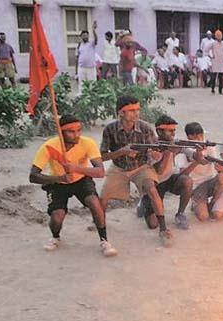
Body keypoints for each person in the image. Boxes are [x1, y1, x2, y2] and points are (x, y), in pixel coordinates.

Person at [29, 114, 117, 257]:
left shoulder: (87, 143)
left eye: (79, 130)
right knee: (57, 217)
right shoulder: (49, 146)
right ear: (61, 132)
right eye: (71, 131)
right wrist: (60, 177)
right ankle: (55, 237)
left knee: (95, 203)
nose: (76, 135)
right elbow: (33, 176)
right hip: (57, 182)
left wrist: (76, 169)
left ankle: (104, 240)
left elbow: (100, 172)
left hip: (81, 179)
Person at [99, 96, 173, 247]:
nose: (136, 113)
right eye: (131, 110)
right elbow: (102, 156)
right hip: (118, 168)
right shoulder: (110, 129)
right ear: (121, 112)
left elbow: (154, 151)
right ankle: (99, 223)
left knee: (152, 189)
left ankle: (164, 229)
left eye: (137, 109)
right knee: (103, 198)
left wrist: (156, 155)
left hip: (141, 166)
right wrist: (122, 152)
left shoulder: (145, 128)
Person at [138, 115, 193, 230]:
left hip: (169, 179)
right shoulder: (152, 147)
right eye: (170, 131)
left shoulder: (173, 143)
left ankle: (180, 214)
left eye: (174, 130)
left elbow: (192, 154)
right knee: (153, 225)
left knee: (187, 181)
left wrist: (198, 154)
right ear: (159, 131)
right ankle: (143, 202)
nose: (173, 133)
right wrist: (169, 152)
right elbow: (159, 171)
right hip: (155, 184)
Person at [182, 122, 223, 222]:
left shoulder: (209, 146)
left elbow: (215, 162)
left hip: (210, 180)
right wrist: (197, 161)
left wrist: (221, 169)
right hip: (196, 186)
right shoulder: (184, 149)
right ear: (189, 137)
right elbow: (182, 174)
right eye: (197, 137)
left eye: (201, 136)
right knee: (203, 217)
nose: (200, 139)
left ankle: (213, 203)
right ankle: (196, 204)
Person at [75, 21, 98, 96]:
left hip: (91, 68)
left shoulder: (91, 44)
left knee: (92, 84)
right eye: (83, 35)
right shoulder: (79, 45)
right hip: (81, 68)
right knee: (82, 84)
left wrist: (93, 30)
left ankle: (92, 98)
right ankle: (83, 98)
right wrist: (76, 72)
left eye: (86, 35)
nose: (85, 37)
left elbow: (96, 39)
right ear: (81, 37)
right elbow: (77, 58)